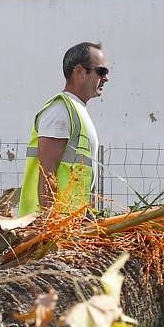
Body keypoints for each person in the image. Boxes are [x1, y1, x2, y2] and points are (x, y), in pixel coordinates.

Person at [17, 41, 108, 216]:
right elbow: (47, 172)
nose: (106, 78)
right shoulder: (60, 111)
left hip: (71, 225)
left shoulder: (76, 110)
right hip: (56, 228)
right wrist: (50, 227)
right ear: (80, 71)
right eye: (101, 71)